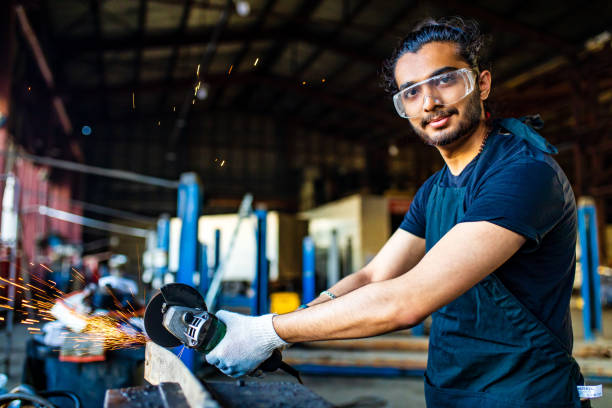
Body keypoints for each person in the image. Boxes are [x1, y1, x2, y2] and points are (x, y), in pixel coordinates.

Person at [205, 17, 592, 407]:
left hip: (524, 396)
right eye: (410, 92)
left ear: (482, 84)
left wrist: (269, 332)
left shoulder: (523, 174)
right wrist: (289, 323)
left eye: (445, 80)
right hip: (449, 392)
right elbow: (374, 274)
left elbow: (408, 300)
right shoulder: (433, 190)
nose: (429, 102)